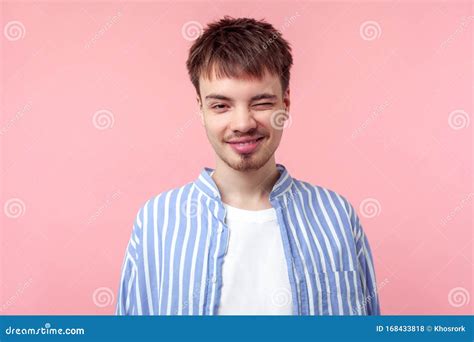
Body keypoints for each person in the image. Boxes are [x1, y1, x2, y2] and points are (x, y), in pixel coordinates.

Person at [116, 15, 380, 316]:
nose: (242, 123)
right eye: (221, 105)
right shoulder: (156, 221)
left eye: (261, 103)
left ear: (286, 104)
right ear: (201, 110)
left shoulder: (337, 216)